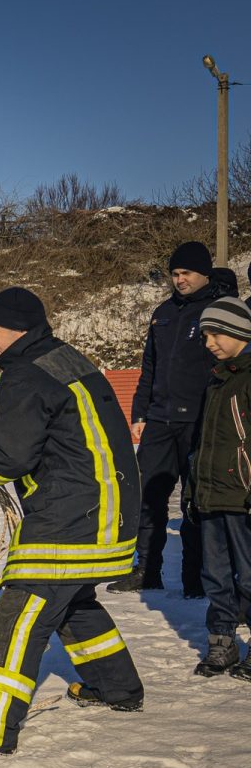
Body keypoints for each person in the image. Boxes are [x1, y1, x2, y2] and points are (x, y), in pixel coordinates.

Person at [0, 288, 145, 755]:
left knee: (18, 615)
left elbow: (13, 455)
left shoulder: (24, 375)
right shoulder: (66, 360)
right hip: (109, 508)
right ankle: (118, 687)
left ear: (20, 330)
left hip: (70, 515)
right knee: (73, 599)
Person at [109, 242, 235, 598]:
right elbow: (149, 367)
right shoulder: (162, 313)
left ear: (204, 274)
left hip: (200, 421)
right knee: (148, 496)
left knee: (194, 501)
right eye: (175, 274)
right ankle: (147, 570)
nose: (179, 280)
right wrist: (140, 412)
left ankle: (194, 578)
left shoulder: (218, 311)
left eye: (186, 274)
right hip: (160, 420)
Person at [185, 296, 251, 677]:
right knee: (216, 574)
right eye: (206, 334)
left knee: (250, 572)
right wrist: (194, 491)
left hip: (242, 496)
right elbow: (203, 443)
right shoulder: (216, 381)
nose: (209, 341)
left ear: (240, 330)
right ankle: (222, 642)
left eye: (216, 333)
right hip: (212, 495)